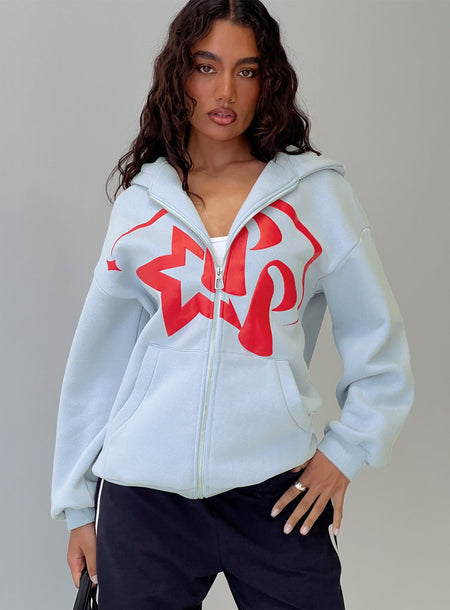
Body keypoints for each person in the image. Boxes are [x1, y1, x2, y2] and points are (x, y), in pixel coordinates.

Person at [51, 1, 414, 608]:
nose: (225, 91)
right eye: (206, 67)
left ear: (267, 81)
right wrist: (78, 506)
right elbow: (97, 365)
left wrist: (345, 451)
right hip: (144, 498)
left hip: (276, 491)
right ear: (180, 76)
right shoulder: (142, 204)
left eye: (246, 71)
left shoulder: (317, 195)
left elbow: (378, 341)